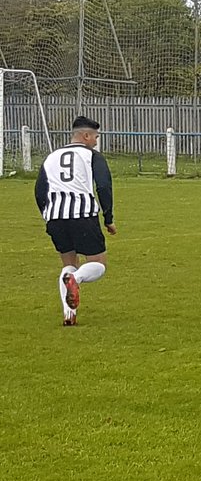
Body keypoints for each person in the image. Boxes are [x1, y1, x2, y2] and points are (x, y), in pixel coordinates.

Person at [34, 116, 117, 326]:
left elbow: (39, 190)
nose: (96, 141)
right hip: (82, 215)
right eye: (95, 137)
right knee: (98, 263)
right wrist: (108, 218)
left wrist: (47, 214)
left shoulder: (51, 157)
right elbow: (104, 186)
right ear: (86, 135)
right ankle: (76, 280)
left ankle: (69, 314)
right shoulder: (92, 155)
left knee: (69, 263)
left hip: (55, 217)